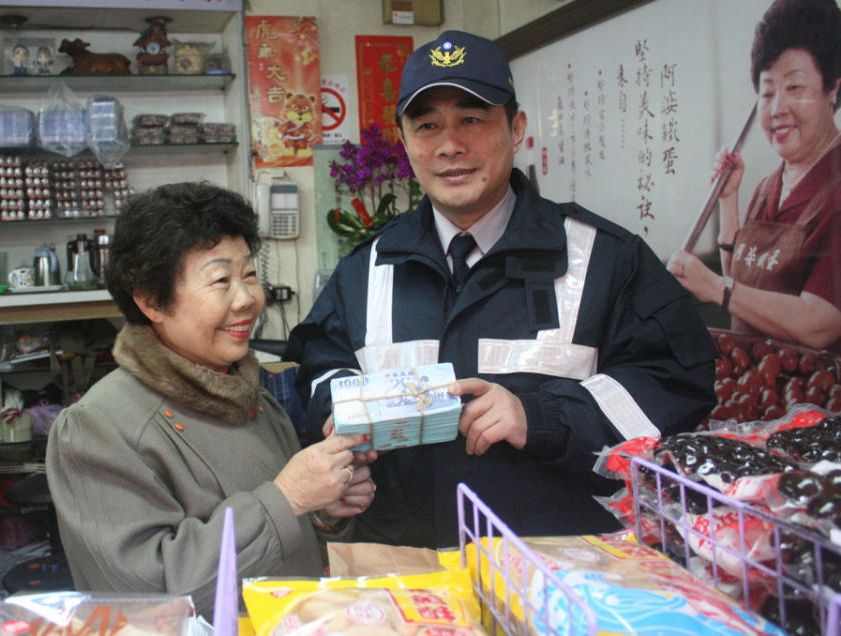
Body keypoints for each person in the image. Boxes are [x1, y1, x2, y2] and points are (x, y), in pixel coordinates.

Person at [285, 30, 717, 548]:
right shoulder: (366, 268)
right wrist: (341, 419)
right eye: (427, 126)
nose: (449, 145)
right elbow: (319, 371)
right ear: (405, 144)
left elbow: (673, 386)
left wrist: (540, 415)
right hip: (412, 580)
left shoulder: (606, 258)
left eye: (472, 119)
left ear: (517, 128)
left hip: (567, 576)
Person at [45, 182, 375, 619]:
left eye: (250, 276)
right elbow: (146, 598)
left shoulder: (251, 399)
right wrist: (288, 498)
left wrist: (323, 514)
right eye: (221, 280)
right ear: (151, 302)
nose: (247, 300)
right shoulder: (97, 428)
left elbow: (290, 556)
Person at [668, 0, 841, 353]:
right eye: (767, 92)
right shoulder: (769, 186)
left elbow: (820, 322)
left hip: (817, 397)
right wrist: (730, 201)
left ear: (832, 90)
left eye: (794, 88)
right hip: (756, 387)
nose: (777, 108)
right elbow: (744, 274)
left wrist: (716, 288)